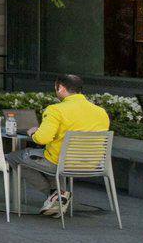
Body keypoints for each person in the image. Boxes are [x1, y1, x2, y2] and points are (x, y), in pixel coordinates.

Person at [18, 74, 112, 209]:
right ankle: (58, 197)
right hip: (94, 164)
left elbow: (42, 139)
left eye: (56, 89)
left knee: (15, 158)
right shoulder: (101, 112)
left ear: (61, 88)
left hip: (62, 163)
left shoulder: (56, 110)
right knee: (50, 156)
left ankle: (57, 194)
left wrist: (34, 132)